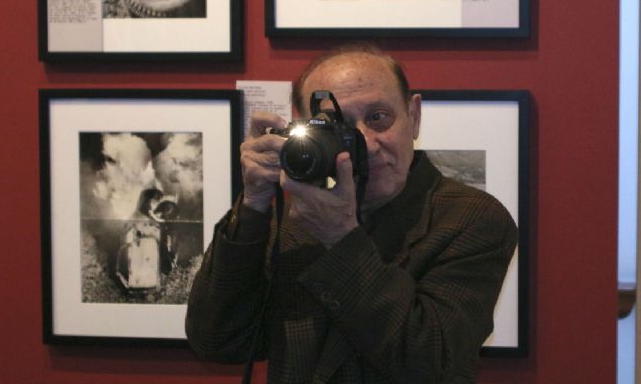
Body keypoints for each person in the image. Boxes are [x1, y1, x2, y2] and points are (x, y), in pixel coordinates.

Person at [185, 43, 518, 384]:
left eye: (378, 118)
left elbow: (433, 364)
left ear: (414, 116)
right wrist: (253, 206)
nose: (367, 144)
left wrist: (340, 237)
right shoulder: (292, 217)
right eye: (337, 125)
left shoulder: (471, 219)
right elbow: (217, 340)